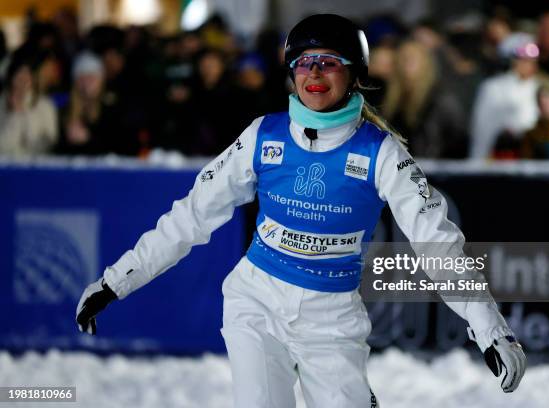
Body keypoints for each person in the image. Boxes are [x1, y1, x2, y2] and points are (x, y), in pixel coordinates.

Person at [75, 14, 526, 407]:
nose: (315, 73)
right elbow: (190, 216)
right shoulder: (263, 136)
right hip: (256, 302)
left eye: (329, 62)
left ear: (354, 74)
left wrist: (490, 328)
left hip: (331, 320)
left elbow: (437, 244)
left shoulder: (380, 152)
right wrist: (117, 281)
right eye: (304, 63)